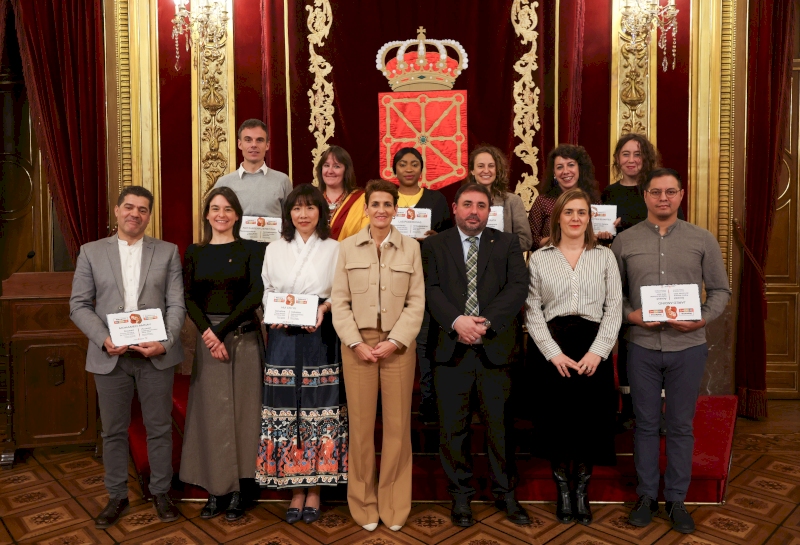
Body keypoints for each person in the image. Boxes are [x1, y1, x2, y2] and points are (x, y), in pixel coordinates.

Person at [612, 169, 731, 534]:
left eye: (670, 192)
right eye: (656, 192)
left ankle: (676, 498)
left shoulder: (703, 239)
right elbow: (611, 295)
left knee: (680, 426)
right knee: (645, 425)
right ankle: (647, 496)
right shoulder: (624, 242)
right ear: (645, 196)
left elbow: (721, 291)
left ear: (681, 195)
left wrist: (701, 320)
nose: (663, 198)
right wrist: (630, 315)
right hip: (642, 347)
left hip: (688, 348)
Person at [69, 186, 185, 529]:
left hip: (155, 355)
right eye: (130, 207)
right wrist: (105, 339)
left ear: (150, 215)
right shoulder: (90, 252)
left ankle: (161, 492)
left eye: (143, 209)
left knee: (159, 427)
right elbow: (78, 305)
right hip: (110, 355)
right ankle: (117, 495)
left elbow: (177, 304)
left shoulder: (167, 252)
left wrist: (164, 342)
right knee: (114, 431)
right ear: (117, 211)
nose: (135, 214)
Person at [422, 183, 530, 527]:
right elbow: (429, 288)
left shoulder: (508, 243)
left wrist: (485, 324)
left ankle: (505, 494)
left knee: (500, 429)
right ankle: (461, 496)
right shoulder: (435, 244)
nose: (474, 211)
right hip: (450, 350)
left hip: (494, 348)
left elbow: (517, 287)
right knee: (454, 430)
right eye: (467, 204)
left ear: (489, 211)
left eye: (481, 206)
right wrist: (457, 322)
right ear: (454, 208)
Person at [524, 188, 622, 525]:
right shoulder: (540, 258)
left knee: (588, 423)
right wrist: (553, 354)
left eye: (581, 212)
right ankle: (563, 492)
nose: (576, 218)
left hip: (593, 347)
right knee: (556, 422)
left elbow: (615, 309)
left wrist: (599, 351)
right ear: (558, 218)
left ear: (589, 218)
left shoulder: (604, 256)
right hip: (553, 350)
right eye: (569, 212)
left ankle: (582, 491)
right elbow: (532, 311)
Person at [331, 179, 425, 532]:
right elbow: (339, 302)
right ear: (367, 208)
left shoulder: (411, 248)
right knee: (361, 428)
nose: (382, 210)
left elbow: (417, 302)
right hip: (358, 348)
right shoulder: (346, 249)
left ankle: (395, 504)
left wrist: (396, 340)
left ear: (396, 209)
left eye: (388, 204)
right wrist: (356, 342)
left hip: (398, 347)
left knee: (399, 429)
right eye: (376, 204)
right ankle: (364, 503)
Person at [256, 184, 347, 525]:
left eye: (311, 208)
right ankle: (294, 488)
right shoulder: (275, 248)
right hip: (282, 336)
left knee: (319, 407)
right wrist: (275, 311)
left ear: (321, 213)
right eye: (297, 208)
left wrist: (324, 308)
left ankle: (316, 489)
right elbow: (267, 288)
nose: (304, 215)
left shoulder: (334, 248)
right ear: (289, 213)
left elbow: (341, 290)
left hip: (320, 334)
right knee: (285, 408)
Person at [180, 187, 264, 521]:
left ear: (237, 215)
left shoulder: (252, 249)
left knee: (246, 415)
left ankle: (241, 491)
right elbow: (188, 298)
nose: (221, 214)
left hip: (242, 338)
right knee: (211, 415)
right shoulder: (194, 252)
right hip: (208, 339)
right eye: (215, 208)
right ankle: (216, 490)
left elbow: (255, 292)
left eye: (228, 209)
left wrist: (222, 331)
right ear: (206, 214)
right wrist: (208, 333)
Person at [598, 134, 684, 425]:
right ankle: (631, 407)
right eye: (625, 154)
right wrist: (602, 235)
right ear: (617, 159)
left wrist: (627, 226)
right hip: (623, 274)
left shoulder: (658, 190)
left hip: (658, 273)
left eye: (637, 154)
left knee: (661, 340)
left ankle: (660, 411)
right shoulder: (608, 193)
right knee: (627, 340)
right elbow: (601, 236)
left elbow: (674, 225)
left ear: (646, 158)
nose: (631, 160)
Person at [391, 146, 452, 424]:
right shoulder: (386, 197)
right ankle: (391, 403)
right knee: (391, 340)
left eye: (414, 163)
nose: (409, 168)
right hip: (391, 278)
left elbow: (452, 238)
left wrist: (436, 237)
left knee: (425, 342)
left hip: (427, 277)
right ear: (395, 169)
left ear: (422, 168)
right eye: (403, 164)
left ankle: (429, 400)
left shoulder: (436, 200)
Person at [214, 119, 293, 221]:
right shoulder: (224, 183)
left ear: (267, 145)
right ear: (239, 144)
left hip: (274, 237)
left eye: (259, 140)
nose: (254, 145)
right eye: (248, 140)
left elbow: (290, 219)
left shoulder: (282, 180)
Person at [528, 144, 600, 249]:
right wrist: (561, 239)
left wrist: (606, 235)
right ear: (554, 173)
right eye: (560, 167)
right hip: (550, 259)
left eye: (571, 165)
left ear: (580, 168)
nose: (565, 171)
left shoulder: (593, 200)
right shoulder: (543, 201)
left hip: (588, 259)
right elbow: (531, 240)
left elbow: (597, 237)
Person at [468, 144, 533, 251]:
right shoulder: (464, 202)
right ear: (472, 171)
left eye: (491, 166)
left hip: (504, 263)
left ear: (497, 170)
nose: (486, 170)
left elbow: (525, 241)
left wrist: (495, 245)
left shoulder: (512, 201)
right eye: (480, 166)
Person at [316, 145, 369, 240]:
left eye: (337, 166)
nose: (330, 171)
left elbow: (367, 236)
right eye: (326, 165)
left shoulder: (362, 199)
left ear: (346, 170)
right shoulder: (312, 199)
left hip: (351, 253)